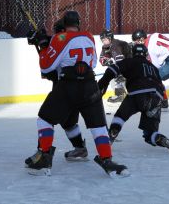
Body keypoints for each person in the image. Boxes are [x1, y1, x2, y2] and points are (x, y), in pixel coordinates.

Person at [25, 11, 129, 177]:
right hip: (89, 85)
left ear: (63, 27)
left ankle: (44, 157)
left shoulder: (60, 39)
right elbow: (92, 63)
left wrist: (44, 46)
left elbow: (46, 67)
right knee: (98, 127)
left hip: (68, 86)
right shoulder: (88, 36)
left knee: (45, 119)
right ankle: (107, 159)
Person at [98, 44, 169, 153]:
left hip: (138, 93)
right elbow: (161, 87)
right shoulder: (153, 67)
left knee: (120, 117)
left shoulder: (130, 61)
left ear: (133, 53)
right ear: (146, 55)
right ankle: (161, 139)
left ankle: (111, 137)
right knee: (149, 134)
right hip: (157, 97)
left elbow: (111, 70)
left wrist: (101, 85)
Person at [27, 19, 88, 162]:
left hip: (64, 87)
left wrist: (41, 44)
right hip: (80, 89)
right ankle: (80, 148)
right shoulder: (78, 39)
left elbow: (48, 70)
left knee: (46, 118)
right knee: (69, 122)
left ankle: (43, 153)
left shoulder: (60, 40)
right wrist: (39, 39)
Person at [132, 29, 169, 109]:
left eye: (136, 41)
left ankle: (163, 102)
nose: (135, 43)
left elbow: (155, 67)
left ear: (141, 39)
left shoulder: (149, 49)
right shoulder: (154, 35)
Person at [99, 30, 131, 103]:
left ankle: (122, 95)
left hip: (130, 64)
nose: (104, 41)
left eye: (106, 39)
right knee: (113, 76)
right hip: (125, 64)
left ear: (110, 38)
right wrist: (106, 61)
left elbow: (121, 62)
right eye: (102, 40)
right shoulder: (105, 47)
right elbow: (101, 59)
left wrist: (120, 74)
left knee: (117, 77)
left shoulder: (115, 45)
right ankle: (121, 95)